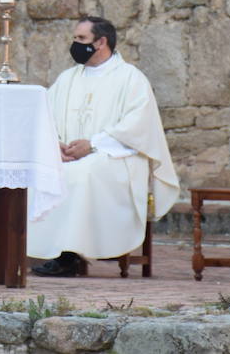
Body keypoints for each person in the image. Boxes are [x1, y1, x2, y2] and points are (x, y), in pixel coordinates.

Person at [28, 16, 179, 277]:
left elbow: (138, 127)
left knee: (82, 174)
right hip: (71, 157)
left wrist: (93, 145)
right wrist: (58, 146)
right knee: (47, 171)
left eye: (81, 39)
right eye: (75, 38)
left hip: (116, 157)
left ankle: (69, 256)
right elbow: (45, 117)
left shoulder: (131, 79)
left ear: (101, 42)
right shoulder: (68, 78)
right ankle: (46, 251)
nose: (75, 44)